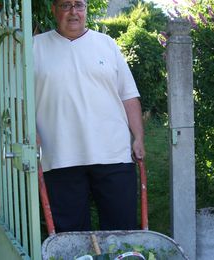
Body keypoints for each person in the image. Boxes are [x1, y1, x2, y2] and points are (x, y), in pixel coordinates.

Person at [33, 0, 145, 232]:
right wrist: (31, 133)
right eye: (66, 5)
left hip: (114, 154)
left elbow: (129, 96)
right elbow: (19, 99)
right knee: (70, 235)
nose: (73, 12)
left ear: (85, 10)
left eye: (79, 5)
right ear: (54, 10)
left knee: (121, 231)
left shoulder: (107, 44)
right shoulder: (34, 47)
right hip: (60, 156)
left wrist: (138, 138)